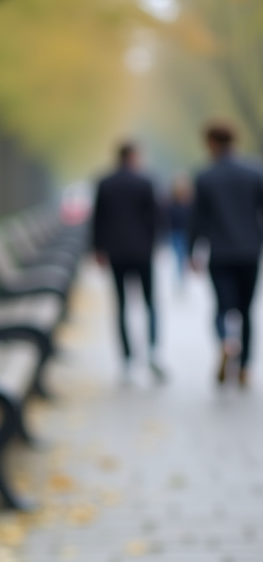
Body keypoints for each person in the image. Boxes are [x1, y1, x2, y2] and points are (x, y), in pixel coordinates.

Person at [188, 121, 263, 387]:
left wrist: (191, 252)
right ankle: (244, 368)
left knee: (222, 308)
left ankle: (226, 342)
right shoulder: (255, 172)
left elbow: (196, 219)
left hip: (219, 253)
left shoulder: (205, 176)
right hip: (250, 251)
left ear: (211, 143)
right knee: (246, 310)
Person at [91, 141, 165, 382]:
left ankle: (126, 359)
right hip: (142, 251)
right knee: (150, 303)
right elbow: (155, 217)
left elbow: (98, 219)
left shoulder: (105, 183)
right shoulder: (145, 182)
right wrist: (154, 245)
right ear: (133, 157)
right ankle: (153, 352)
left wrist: (98, 249)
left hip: (116, 252)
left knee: (121, 305)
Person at [167, 178, 193, 286]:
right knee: (179, 256)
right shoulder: (172, 204)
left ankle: (184, 277)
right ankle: (181, 278)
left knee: (185, 256)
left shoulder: (190, 204)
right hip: (176, 233)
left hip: (187, 233)